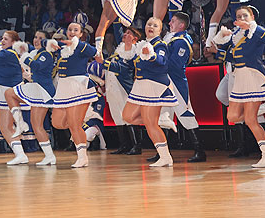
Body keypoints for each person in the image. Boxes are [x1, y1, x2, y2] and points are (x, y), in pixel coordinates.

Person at [208, 6, 265, 167]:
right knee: (232, 117)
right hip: (240, 78)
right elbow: (233, 57)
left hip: (253, 76)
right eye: (239, 16)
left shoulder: (256, 32)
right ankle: (264, 109)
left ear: (252, 16)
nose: (241, 18)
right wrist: (216, 51)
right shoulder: (237, 36)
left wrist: (252, 26)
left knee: (251, 120)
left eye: (245, 15)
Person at [122, 17, 178, 167]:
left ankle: (166, 157)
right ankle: (160, 119)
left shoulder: (160, 45)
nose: (151, 27)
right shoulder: (142, 44)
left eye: (155, 25)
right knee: (127, 116)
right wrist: (128, 47)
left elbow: (162, 62)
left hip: (154, 86)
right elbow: (131, 63)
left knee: (150, 125)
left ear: (160, 30)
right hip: (140, 86)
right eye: (148, 24)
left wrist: (151, 55)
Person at [156, 12, 206, 162]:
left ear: (181, 25)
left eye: (173, 21)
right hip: (167, 81)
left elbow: (175, 65)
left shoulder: (181, 41)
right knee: (165, 117)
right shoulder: (173, 39)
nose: (169, 24)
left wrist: (156, 62)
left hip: (176, 83)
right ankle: (163, 153)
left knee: (185, 114)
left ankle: (200, 151)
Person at [4, 31, 59, 165]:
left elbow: (37, 66)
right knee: (36, 126)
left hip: (43, 90)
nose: (37, 40)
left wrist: (24, 55)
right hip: (36, 88)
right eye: (35, 37)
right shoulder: (36, 53)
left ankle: (21, 124)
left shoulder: (47, 53)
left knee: (9, 93)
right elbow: (34, 72)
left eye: (41, 38)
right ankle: (49, 156)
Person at [49, 23, 100, 167]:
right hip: (64, 87)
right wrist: (53, 44)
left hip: (78, 86)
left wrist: (76, 43)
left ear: (81, 33)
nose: (71, 32)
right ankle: (82, 126)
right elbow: (47, 43)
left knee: (73, 124)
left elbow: (95, 52)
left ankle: (82, 157)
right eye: (69, 29)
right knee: (57, 122)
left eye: (75, 30)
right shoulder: (63, 49)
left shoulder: (82, 47)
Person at [0, 31, 28, 165]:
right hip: (5, 89)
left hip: (10, 91)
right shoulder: (7, 53)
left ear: (13, 42)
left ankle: (21, 155)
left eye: (5, 39)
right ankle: (20, 154)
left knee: (5, 126)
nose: (2, 41)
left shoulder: (8, 53)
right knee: (5, 126)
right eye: (2, 39)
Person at [98, 27, 143, 155]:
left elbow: (123, 68)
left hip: (124, 88)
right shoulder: (119, 50)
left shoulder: (135, 52)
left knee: (129, 117)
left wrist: (103, 62)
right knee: (117, 117)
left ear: (135, 38)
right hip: (113, 88)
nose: (125, 34)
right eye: (125, 32)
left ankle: (136, 145)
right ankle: (124, 145)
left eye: (129, 33)